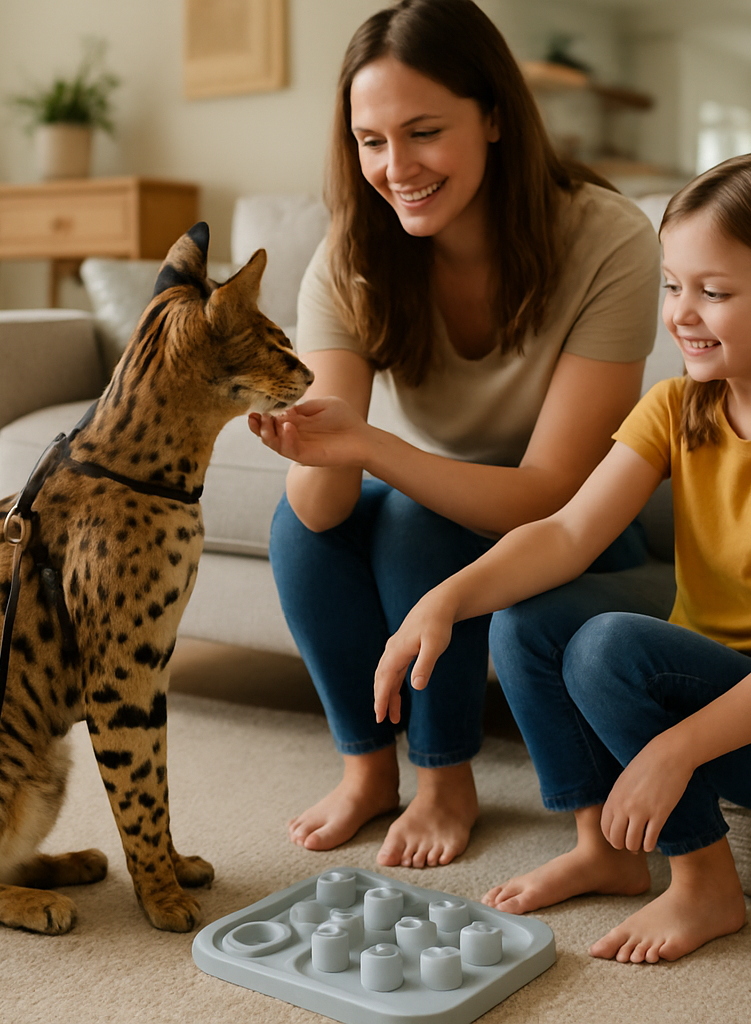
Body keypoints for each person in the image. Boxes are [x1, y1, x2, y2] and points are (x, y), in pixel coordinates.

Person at [374, 145, 751, 962]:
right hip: (715, 685)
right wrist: (445, 600)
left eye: (715, 291)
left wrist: (677, 746)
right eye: (674, 285)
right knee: (526, 619)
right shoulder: (677, 408)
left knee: (608, 648)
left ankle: (704, 886)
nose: (681, 313)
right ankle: (606, 847)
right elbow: (565, 535)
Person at [248, 0, 666, 870]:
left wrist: (370, 447)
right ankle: (368, 770)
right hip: (447, 503)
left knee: (408, 514)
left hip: (581, 528)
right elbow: (321, 510)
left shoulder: (607, 238)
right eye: (370, 141)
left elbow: (555, 488)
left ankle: (443, 779)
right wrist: (315, 442)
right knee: (301, 523)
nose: (395, 167)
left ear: (496, 118)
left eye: (424, 131)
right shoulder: (352, 258)